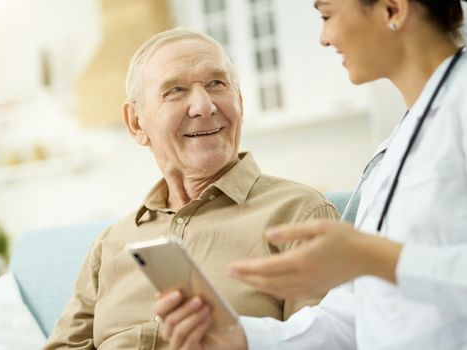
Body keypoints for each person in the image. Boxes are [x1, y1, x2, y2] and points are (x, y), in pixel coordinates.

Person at [154, 0, 467, 349]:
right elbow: (351, 316)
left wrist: (374, 257)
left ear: (392, 9)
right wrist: (239, 337)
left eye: (327, 15)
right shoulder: (399, 144)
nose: (324, 37)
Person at [44, 28, 338, 349]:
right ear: (136, 124)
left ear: (239, 102)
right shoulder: (110, 243)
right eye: (176, 90)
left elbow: (326, 342)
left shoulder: (299, 214)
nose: (204, 106)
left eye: (217, 84)